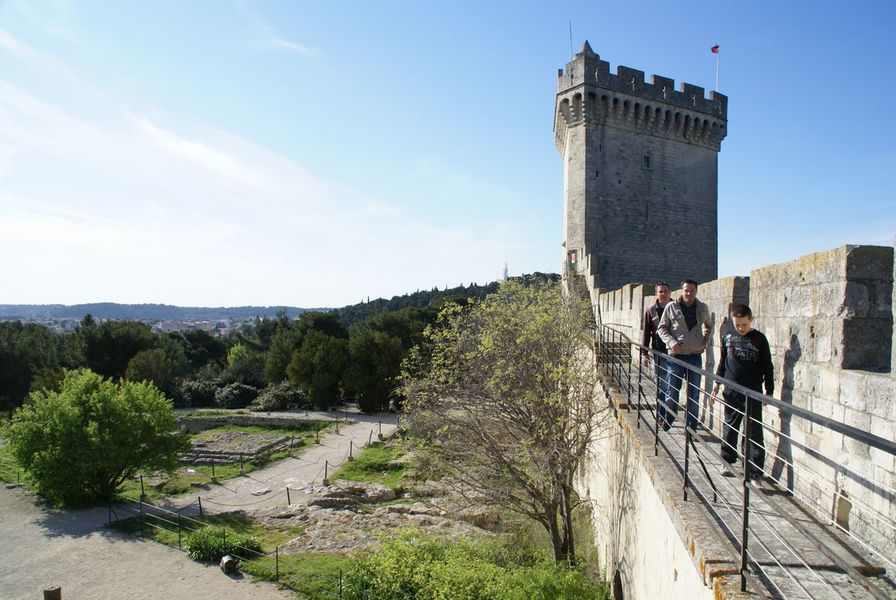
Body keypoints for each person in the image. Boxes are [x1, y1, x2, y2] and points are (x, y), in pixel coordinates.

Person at [710, 304, 774, 481]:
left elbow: (768, 366)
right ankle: (727, 460)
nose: (740, 328)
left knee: (753, 432)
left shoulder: (759, 339)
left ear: (751, 319)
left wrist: (769, 391)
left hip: (752, 392)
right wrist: (716, 384)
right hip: (731, 390)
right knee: (730, 427)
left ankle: (754, 473)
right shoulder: (728, 336)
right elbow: (723, 362)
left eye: (744, 324)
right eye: (737, 324)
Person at [656, 279, 712, 431]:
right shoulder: (671, 306)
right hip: (676, 356)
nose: (689, 293)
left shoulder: (702, 308)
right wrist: (671, 342)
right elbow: (661, 328)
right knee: (672, 390)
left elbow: (708, 326)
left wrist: (703, 343)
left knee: (694, 394)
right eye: (686, 290)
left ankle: (691, 428)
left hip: (694, 356)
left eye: (692, 290)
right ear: (682, 290)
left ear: (696, 291)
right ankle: (668, 419)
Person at [641, 282, 672, 425]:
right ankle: (661, 415)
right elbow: (646, 332)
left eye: (665, 291)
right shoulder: (651, 310)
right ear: (656, 293)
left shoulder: (676, 308)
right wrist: (645, 353)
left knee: (671, 386)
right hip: (659, 352)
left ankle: (669, 415)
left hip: (675, 353)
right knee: (661, 385)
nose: (663, 294)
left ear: (670, 292)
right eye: (660, 291)